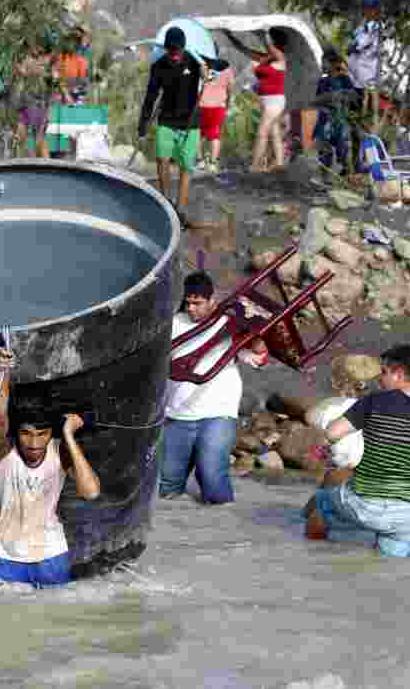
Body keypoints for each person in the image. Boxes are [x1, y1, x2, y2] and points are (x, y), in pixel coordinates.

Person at [305, 345, 410, 557]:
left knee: (321, 502)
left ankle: (314, 562)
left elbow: (333, 432)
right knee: (389, 567)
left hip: (364, 504)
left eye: (383, 372)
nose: (379, 379)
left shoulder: (375, 402)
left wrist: (324, 447)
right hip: (408, 516)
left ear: (398, 374)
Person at [0, 347, 101, 587]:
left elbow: (91, 492)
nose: (34, 444)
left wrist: (68, 434)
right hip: (2, 557)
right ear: (16, 434)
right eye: (26, 434)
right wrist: (3, 371)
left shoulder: (59, 450)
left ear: (51, 434)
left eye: (42, 434)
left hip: (51, 557)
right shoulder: (3, 451)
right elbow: (0, 416)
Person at [161, 272, 269, 504]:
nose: (191, 308)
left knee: (213, 481)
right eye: (188, 303)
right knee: (166, 487)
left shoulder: (229, 322)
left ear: (212, 301)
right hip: (178, 413)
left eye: (198, 303)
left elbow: (258, 357)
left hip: (218, 411)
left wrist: (258, 338)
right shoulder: (173, 324)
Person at [138, 27, 202, 224]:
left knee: (186, 166)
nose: (174, 54)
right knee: (162, 159)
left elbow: (219, 65)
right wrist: (143, 123)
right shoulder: (158, 66)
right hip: (166, 119)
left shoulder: (195, 62)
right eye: (171, 50)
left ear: (183, 48)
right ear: (166, 48)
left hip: (190, 123)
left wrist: (209, 71)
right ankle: (166, 203)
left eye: (178, 50)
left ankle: (180, 210)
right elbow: (151, 96)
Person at [248, 30, 287, 173]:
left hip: (275, 101)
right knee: (274, 132)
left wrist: (262, 34)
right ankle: (279, 162)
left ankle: (255, 166)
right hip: (266, 101)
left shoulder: (281, 58)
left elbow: (270, 47)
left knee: (261, 133)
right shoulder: (267, 58)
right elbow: (245, 50)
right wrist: (230, 37)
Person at [314, 51, 354, 175]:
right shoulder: (322, 81)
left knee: (342, 149)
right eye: (322, 62)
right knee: (324, 149)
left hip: (340, 120)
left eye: (324, 62)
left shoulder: (344, 79)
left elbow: (352, 96)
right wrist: (327, 98)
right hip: (324, 119)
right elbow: (315, 100)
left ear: (334, 64)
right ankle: (324, 176)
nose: (322, 65)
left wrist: (340, 95)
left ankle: (345, 173)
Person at [348, 0, 384, 131]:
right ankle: (363, 125)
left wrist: (353, 46)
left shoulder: (375, 27)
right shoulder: (362, 27)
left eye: (368, 7)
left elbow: (359, 44)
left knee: (368, 95)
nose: (365, 10)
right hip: (357, 73)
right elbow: (354, 41)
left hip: (367, 70)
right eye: (365, 7)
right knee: (360, 100)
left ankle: (371, 124)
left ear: (374, 10)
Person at [197, 60, 235, 174]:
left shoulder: (203, 66)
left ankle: (200, 161)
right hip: (219, 105)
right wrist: (227, 102)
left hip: (203, 104)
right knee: (215, 134)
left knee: (199, 134)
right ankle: (213, 163)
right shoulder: (227, 69)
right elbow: (230, 88)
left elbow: (199, 84)